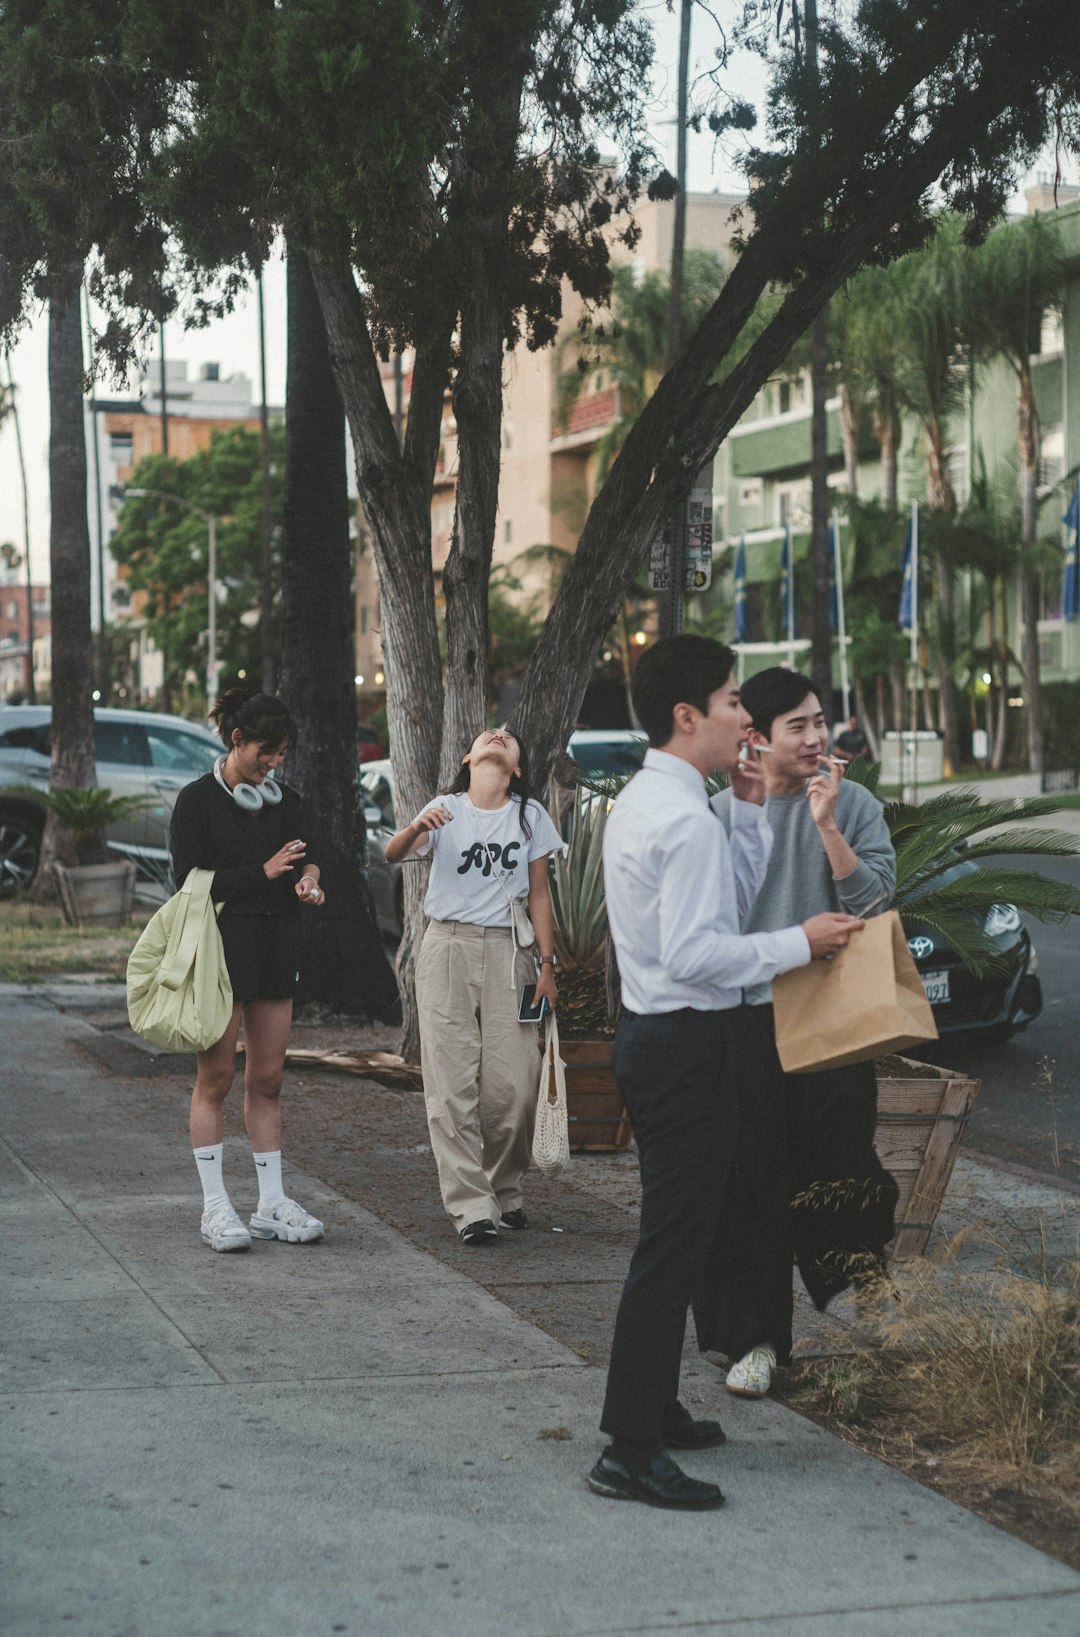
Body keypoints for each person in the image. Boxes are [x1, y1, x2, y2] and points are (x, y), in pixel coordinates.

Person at [589, 636, 864, 1511]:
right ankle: (629, 1449)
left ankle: (655, 1409)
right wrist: (805, 941)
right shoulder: (677, 817)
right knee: (671, 1250)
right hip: (685, 1044)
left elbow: (718, 902)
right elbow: (702, 951)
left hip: (658, 1038)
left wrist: (747, 808)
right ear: (688, 715)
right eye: (732, 701)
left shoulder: (663, 801)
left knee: (678, 1238)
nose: (744, 718)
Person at [704, 668, 898, 1399]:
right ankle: (757, 1340)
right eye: (799, 726)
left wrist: (828, 826)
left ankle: (861, 1289)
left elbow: (875, 898)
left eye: (820, 720)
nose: (817, 736)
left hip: (834, 1016)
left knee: (843, 1164)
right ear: (755, 738)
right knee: (750, 1181)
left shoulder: (855, 804)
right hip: (749, 1019)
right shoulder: (722, 817)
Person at [384, 728, 564, 1245]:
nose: (500, 734)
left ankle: (504, 1190)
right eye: (490, 734)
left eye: (509, 738)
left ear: (518, 766)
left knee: (515, 1085)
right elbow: (394, 854)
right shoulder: (445, 807)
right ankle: (470, 1208)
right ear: (468, 757)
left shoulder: (530, 816)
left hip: (510, 952)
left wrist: (547, 967)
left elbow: (539, 893)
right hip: (447, 946)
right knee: (451, 1080)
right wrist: (419, 822)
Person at [170, 688, 327, 1253]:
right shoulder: (196, 802)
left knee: (268, 1080)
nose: (274, 763)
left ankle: (270, 1204)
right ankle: (215, 1207)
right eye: (267, 750)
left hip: (275, 944)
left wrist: (307, 878)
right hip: (219, 948)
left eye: (282, 753)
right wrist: (262, 871)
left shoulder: (285, 801)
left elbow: (311, 853)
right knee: (216, 1078)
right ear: (236, 739)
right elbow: (188, 882)